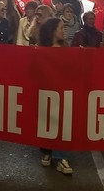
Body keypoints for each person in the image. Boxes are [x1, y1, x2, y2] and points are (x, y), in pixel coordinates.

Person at [38, 17, 73, 175]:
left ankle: (60, 157)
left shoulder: (66, 49)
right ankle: (47, 151)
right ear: (52, 31)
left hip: (63, 94)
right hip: (45, 92)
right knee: (46, 123)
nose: (63, 31)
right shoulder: (40, 50)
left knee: (62, 124)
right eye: (60, 28)